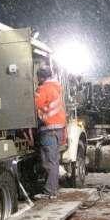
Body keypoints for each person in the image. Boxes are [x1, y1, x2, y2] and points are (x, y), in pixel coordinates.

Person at [34, 65, 66, 200]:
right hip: (58, 129)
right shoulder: (56, 87)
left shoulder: (43, 89)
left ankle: (50, 192)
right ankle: (53, 190)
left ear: (41, 77)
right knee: (54, 160)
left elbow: (35, 106)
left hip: (48, 130)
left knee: (48, 161)